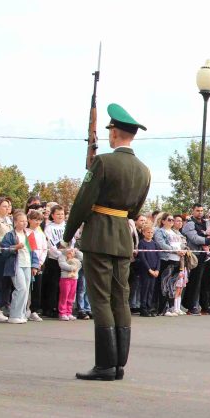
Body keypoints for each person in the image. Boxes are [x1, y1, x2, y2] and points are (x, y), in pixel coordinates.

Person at [64, 103, 151, 381]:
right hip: (123, 238)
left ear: (115, 133)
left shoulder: (104, 161)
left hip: (99, 235)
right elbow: (135, 211)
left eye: (111, 130)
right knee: (120, 298)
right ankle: (119, 365)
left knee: (100, 298)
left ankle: (104, 365)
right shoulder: (144, 170)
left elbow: (82, 201)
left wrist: (68, 233)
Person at [1, 210, 39, 324]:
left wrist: (35, 265)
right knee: (20, 288)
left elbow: (34, 251)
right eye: (21, 221)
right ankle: (14, 315)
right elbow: (4, 250)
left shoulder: (29, 234)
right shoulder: (10, 235)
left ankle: (22, 314)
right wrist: (15, 247)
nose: (24, 223)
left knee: (26, 290)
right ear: (15, 222)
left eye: (25, 221)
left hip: (27, 265)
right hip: (16, 264)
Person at [42, 205, 66, 318]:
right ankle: (50, 307)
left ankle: (60, 307)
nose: (60, 216)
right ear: (52, 215)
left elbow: (72, 241)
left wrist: (67, 254)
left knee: (63, 285)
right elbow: (50, 243)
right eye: (58, 214)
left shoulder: (66, 227)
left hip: (66, 259)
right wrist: (58, 254)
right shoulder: (49, 228)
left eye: (62, 214)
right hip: (54, 259)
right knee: (53, 284)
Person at [136, 225, 160, 317]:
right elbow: (142, 258)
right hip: (146, 270)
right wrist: (149, 269)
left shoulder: (154, 244)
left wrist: (157, 269)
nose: (150, 234)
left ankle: (149, 307)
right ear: (144, 233)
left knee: (151, 289)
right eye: (148, 232)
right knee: (145, 289)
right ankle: (143, 308)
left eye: (151, 232)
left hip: (154, 270)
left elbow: (158, 257)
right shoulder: (142, 243)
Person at [58, 245, 84, 321]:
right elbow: (62, 264)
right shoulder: (62, 256)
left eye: (72, 251)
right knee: (64, 296)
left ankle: (69, 312)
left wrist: (76, 250)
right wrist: (72, 268)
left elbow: (81, 257)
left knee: (71, 296)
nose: (71, 252)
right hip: (65, 278)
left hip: (74, 278)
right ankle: (62, 313)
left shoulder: (76, 258)